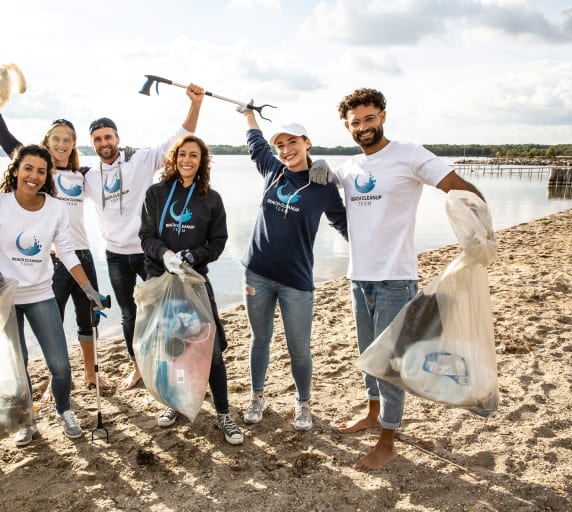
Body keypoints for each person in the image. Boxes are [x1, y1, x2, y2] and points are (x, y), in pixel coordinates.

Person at [331, 87, 484, 471]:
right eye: (355, 122)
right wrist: (316, 167)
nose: (363, 127)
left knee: (393, 364)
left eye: (369, 119)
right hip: (358, 278)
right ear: (345, 126)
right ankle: (371, 413)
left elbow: (459, 187)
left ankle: (388, 439)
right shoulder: (348, 169)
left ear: (382, 115)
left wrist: (481, 230)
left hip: (396, 280)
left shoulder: (409, 154)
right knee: (370, 357)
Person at [0, 78, 112, 391]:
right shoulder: (39, 171)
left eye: (68, 139)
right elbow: (4, 138)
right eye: (56, 138)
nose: (62, 144)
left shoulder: (82, 175)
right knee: (52, 323)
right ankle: (58, 377)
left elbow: (116, 177)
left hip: (81, 254)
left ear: (74, 144)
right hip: (50, 260)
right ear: (47, 140)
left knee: (88, 319)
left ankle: (91, 375)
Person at [0, 144, 105, 446]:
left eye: (40, 171)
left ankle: (64, 410)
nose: (34, 176)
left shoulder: (55, 208)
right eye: (28, 169)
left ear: (47, 175)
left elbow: (66, 251)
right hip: (5, 298)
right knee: (17, 362)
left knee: (60, 364)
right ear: (15, 170)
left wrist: (88, 288)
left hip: (40, 294)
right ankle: (27, 420)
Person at [84, 82, 205, 389]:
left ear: (117, 138)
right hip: (114, 255)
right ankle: (138, 367)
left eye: (108, 136)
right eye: (97, 139)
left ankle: (178, 365)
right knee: (128, 315)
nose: (103, 143)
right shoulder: (88, 177)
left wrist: (195, 104)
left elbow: (179, 138)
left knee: (168, 309)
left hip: (149, 251)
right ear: (92, 144)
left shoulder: (140, 160)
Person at [236, 108, 348, 432]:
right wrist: (249, 115)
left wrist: (376, 250)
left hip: (296, 281)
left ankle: (303, 402)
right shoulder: (273, 171)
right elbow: (255, 143)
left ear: (307, 142)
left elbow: (344, 225)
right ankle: (258, 397)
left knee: (299, 347)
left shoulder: (323, 185)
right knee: (260, 339)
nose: (285, 150)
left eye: (292, 142)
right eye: (280, 145)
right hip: (256, 272)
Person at [138, 134, 244, 445]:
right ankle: (175, 403)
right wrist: (166, 255)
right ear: (173, 158)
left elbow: (219, 242)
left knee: (209, 352)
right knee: (171, 349)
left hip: (195, 283)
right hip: (162, 282)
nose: (187, 160)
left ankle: (223, 412)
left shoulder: (211, 198)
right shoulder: (156, 194)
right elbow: (145, 236)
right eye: (182, 154)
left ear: (202, 162)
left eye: (193, 156)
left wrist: (194, 256)